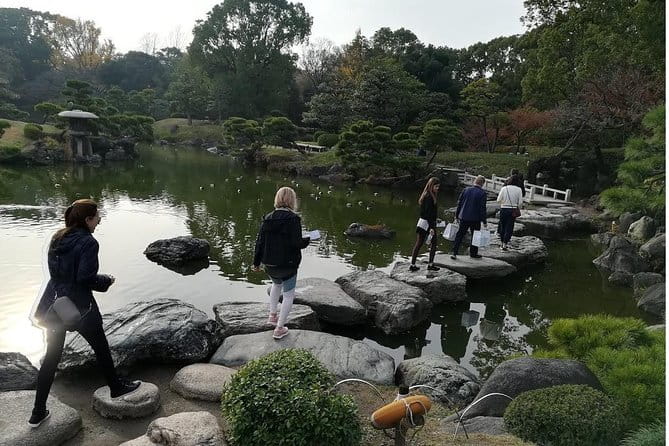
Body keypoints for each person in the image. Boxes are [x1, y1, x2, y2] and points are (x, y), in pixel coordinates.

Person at [30, 199, 140, 428]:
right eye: (97, 216)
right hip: (80, 306)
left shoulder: (58, 237)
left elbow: (57, 274)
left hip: (54, 305)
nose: (99, 220)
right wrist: (106, 280)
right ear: (88, 220)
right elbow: (85, 278)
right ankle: (116, 387)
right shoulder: (89, 242)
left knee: (51, 358)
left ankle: (38, 412)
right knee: (101, 348)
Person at [253, 187, 310, 339]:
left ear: (277, 199)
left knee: (276, 285)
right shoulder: (294, 219)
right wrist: (307, 240)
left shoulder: (268, 218)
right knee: (288, 295)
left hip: (270, 264)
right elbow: (297, 243)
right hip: (288, 264)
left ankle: (272, 316)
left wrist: (256, 263)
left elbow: (259, 242)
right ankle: (279, 328)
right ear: (292, 200)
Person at [451, 175, 487, 259]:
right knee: (475, 236)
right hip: (475, 218)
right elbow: (482, 208)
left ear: (475, 181)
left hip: (464, 216)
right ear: (482, 184)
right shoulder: (482, 193)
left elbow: (459, 203)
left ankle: (454, 252)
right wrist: (484, 221)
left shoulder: (466, 190)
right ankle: (473, 253)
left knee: (460, 235)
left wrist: (457, 215)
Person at [409, 177, 441, 272]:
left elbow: (428, 212)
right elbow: (427, 213)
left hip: (423, 222)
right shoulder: (429, 197)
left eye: (438, 186)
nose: (437, 188)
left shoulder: (427, 195)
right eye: (436, 186)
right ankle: (430, 264)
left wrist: (436, 218)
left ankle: (413, 264)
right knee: (433, 243)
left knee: (419, 243)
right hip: (427, 223)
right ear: (431, 186)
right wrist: (431, 227)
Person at [496, 174, 524, 250]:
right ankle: (505, 244)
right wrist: (518, 208)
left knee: (503, 226)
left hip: (504, 209)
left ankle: (502, 242)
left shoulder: (504, 188)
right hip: (513, 210)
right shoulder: (519, 189)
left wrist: (504, 203)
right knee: (509, 227)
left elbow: (498, 200)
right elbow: (520, 202)